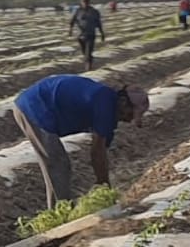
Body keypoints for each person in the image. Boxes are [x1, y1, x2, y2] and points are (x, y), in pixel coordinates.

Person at [12, 75, 150, 210]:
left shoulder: (108, 103)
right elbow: (97, 153)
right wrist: (105, 188)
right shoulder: (105, 104)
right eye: (130, 114)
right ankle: (60, 214)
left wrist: (103, 184)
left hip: (39, 104)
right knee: (58, 163)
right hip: (34, 106)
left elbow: (101, 152)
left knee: (58, 163)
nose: (128, 119)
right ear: (123, 102)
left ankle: (61, 209)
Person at [69, 0, 105, 70]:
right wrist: (70, 31)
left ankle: (88, 66)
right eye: (84, 1)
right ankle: (88, 59)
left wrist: (102, 33)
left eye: (86, 1)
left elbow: (98, 23)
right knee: (84, 51)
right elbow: (72, 21)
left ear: (89, 1)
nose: (85, 2)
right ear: (81, 2)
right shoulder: (77, 11)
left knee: (88, 51)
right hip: (80, 35)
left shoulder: (94, 11)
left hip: (91, 34)